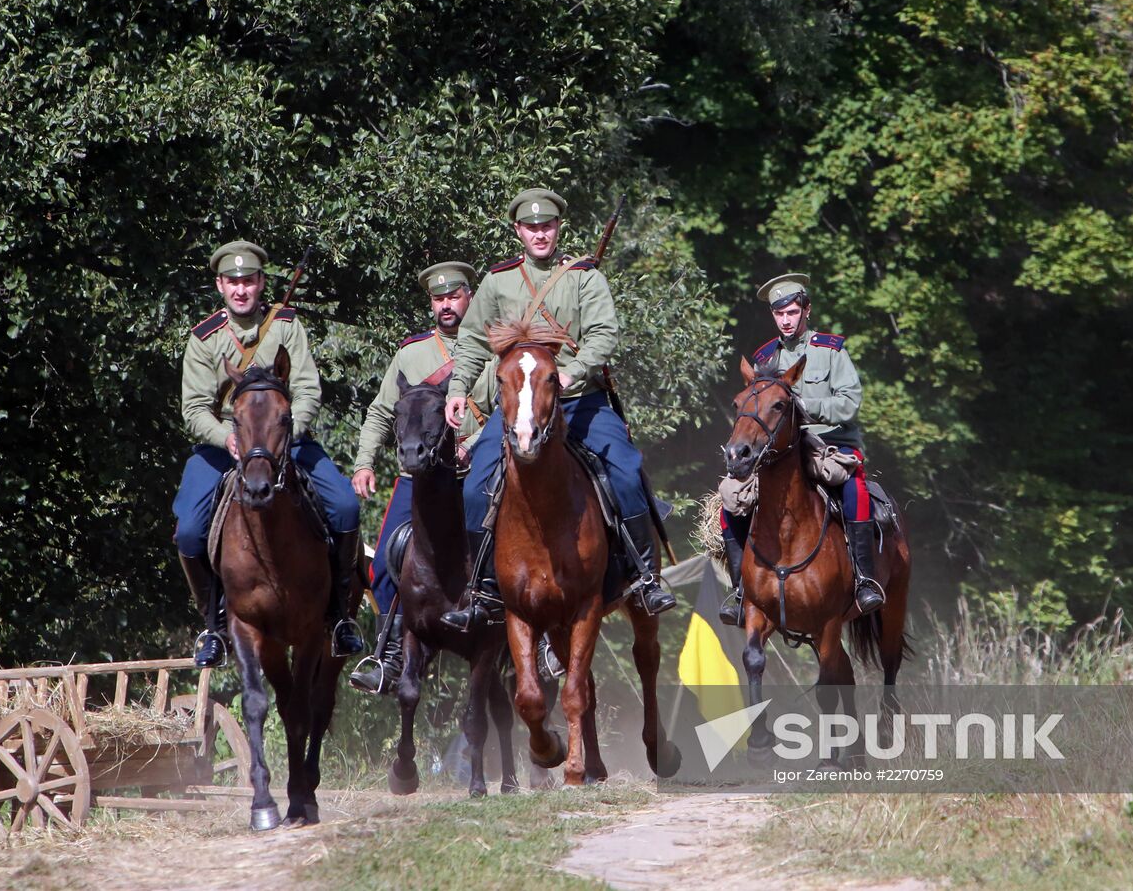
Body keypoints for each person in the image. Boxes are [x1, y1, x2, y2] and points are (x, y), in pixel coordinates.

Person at [441, 187, 677, 630]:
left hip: (579, 400)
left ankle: (645, 576)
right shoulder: (498, 281)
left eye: (547, 226)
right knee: (475, 488)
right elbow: (472, 342)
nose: (540, 234)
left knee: (625, 471)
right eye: (531, 227)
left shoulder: (584, 277)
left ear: (557, 228)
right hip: (518, 408)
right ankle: (484, 589)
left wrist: (576, 371)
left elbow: (604, 333)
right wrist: (458, 388)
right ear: (518, 232)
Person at [172, 240, 365, 667]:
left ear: (261, 283)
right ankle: (215, 624)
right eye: (233, 282)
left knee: (347, 508)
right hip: (226, 446)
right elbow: (193, 409)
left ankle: (338, 616)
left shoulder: (286, 325)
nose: (241, 290)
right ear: (221, 285)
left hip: (284, 440)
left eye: (249, 281)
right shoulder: (205, 339)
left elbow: (309, 389)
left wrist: (289, 431)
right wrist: (229, 438)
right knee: (188, 531)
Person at [346, 262, 497, 694]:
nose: (446, 305)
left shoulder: (495, 345)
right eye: (438, 299)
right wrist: (364, 462)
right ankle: (389, 654)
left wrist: (478, 442)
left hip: (479, 470)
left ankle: (537, 636)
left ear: (471, 296)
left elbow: (509, 407)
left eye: (453, 296)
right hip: (422, 477)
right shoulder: (412, 354)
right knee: (386, 561)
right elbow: (380, 411)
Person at [718, 272, 884, 625]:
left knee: (854, 490)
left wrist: (808, 406)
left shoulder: (830, 350)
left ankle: (865, 580)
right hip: (780, 452)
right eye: (780, 314)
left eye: (793, 312)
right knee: (730, 496)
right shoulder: (766, 358)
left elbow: (850, 402)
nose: (787, 320)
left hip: (831, 444)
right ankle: (739, 589)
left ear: (806, 311)